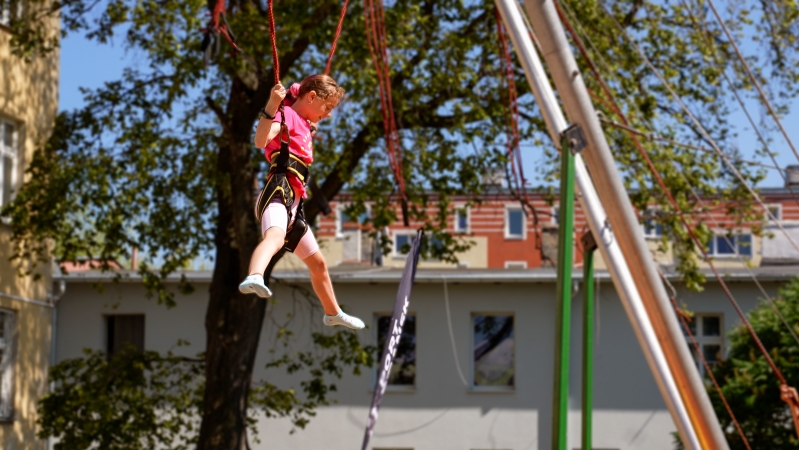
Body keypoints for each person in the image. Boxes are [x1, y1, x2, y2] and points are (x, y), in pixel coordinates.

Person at [238, 74, 365, 331]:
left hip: (295, 205)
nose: (327, 114)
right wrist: (272, 106)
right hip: (278, 192)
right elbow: (260, 140)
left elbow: (308, 112)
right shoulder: (284, 117)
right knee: (274, 237)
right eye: (326, 108)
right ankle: (254, 275)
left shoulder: (304, 122)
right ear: (311, 97)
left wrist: (314, 117)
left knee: (318, 264)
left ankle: (333, 313)